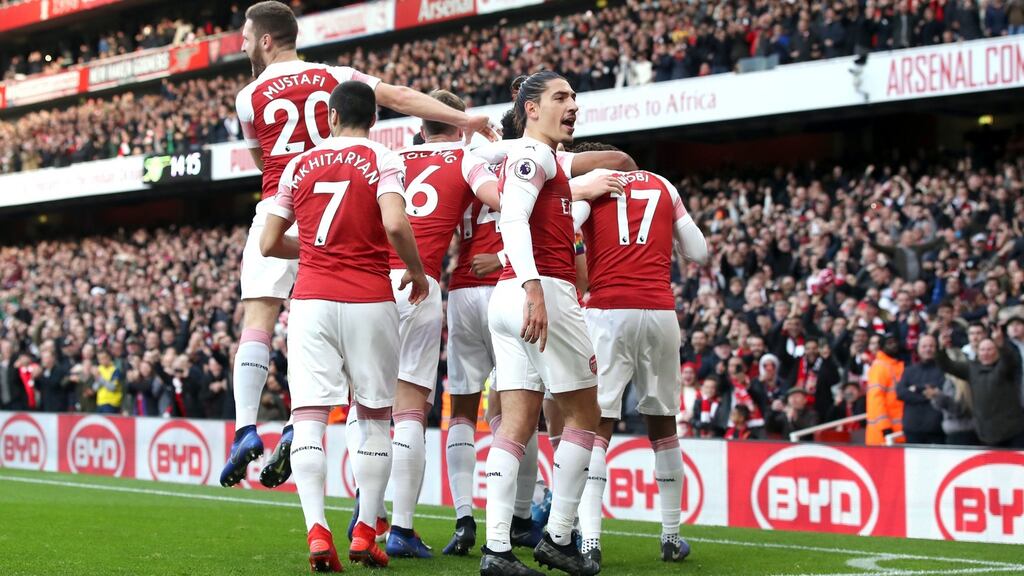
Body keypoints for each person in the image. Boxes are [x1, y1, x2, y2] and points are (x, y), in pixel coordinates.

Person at [224, 0, 496, 489]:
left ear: (265, 40)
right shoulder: (336, 75)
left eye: (245, 36)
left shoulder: (249, 96)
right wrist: (467, 121)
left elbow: (259, 157)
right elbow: (402, 97)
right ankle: (298, 427)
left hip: (283, 202)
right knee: (347, 323)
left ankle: (246, 428)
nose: (242, 44)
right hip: (344, 208)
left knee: (259, 319)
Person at [259, 80, 428, 570]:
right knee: (375, 417)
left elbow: (269, 242)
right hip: (369, 298)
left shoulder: (298, 164)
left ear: (330, 117)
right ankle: (364, 531)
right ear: (372, 120)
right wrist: (415, 272)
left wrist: (315, 250)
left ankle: (317, 532)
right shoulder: (383, 158)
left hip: (310, 301)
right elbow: (396, 224)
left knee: (309, 417)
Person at [356, 89, 499, 559]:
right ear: (457, 126)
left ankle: (366, 515)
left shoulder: (391, 156)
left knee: (371, 407)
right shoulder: (464, 155)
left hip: (371, 282)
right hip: (420, 282)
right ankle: (401, 528)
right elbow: (493, 198)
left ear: (422, 127)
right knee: (410, 409)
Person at [481, 71, 600, 576]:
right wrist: (534, 288)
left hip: (507, 296)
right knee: (584, 414)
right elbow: (510, 218)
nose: (572, 104)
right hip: (539, 291)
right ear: (531, 108)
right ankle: (559, 537)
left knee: (517, 423)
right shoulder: (536, 155)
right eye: (560, 97)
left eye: (573, 97)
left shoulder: (531, 156)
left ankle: (497, 550)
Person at [571, 164, 708, 567]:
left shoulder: (593, 183)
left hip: (609, 310)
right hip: (660, 312)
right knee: (663, 423)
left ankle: (591, 541)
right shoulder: (664, 184)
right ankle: (671, 537)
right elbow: (698, 251)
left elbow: (566, 231)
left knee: (599, 423)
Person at [936, 330, 1024, 448]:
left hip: (1013, 431)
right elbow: (947, 365)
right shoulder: (971, 368)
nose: (986, 353)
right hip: (987, 433)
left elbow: (1009, 359)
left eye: (990, 349)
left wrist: (1001, 344)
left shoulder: (1005, 366)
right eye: (982, 350)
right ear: (977, 352)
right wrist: (941, 348)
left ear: (997, 351)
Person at [895, 335, 946, 444]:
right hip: (912, 430)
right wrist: (927, 395)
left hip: (936, 430)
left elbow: (941, 390)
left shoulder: (943, 370)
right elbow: (900, 393)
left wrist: (916, 388)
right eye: (924, 346)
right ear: (918, 349)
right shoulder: (909, 370)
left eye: (931, 346)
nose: (928, 349)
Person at [865, 332, 905, 445]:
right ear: (882, 346)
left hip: (898, 432)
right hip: (883, 435)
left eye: (895, 342)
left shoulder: (897, 366)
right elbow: (876, 400)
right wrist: (885, 427)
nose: (893, 345)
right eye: (889, 343)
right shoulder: (880, 367)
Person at [93, 349, 123, 415]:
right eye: (100, 359)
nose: (102, 361)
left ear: (109, 357)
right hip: (100, 402)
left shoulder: (115, 370)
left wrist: (100, 378)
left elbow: (112, 387)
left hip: (111, 403)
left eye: (103, 358)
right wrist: (97, 378)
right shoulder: (99, 369)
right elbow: (95, 388)